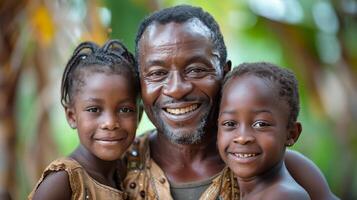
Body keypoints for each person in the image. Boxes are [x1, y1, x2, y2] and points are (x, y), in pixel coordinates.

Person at [123, 4, 338, 200]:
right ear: (140, 83)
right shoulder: (114, 168)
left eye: (196, 70)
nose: (177, 89)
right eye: (157, 73)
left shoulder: (280, 168)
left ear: (224, 74)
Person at [29, 40, 140, 199]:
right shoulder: (63, 182)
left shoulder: (127, 174)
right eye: (94, 109)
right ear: (72, 116)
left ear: (139, 115)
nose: (110, 123)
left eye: (125, 110)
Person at [217, 62, 310, 200]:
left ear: (291, 134)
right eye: (230, 123)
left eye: (260, 124)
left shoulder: (285, 196)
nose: (242, 137)